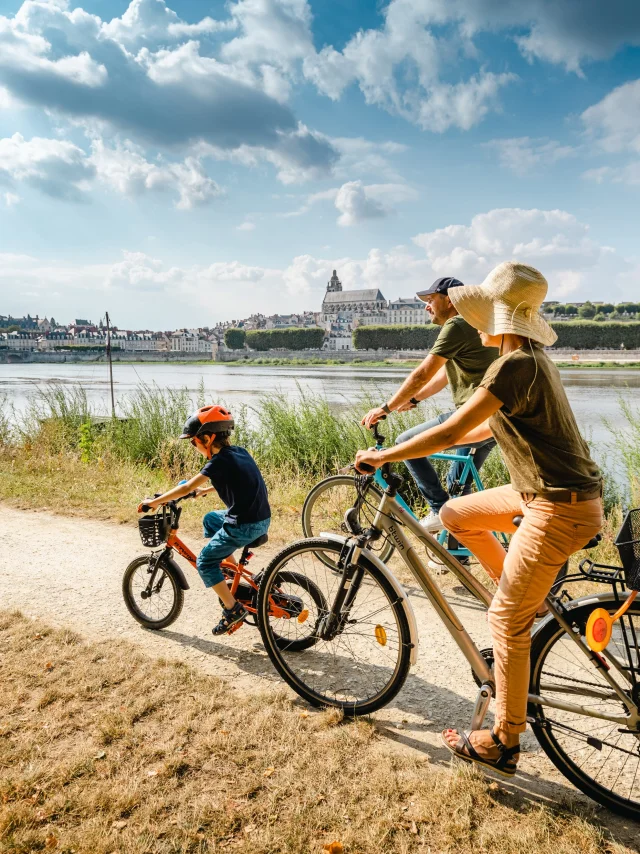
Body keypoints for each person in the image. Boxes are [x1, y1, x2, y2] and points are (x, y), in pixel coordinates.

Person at [355, 261, 603, 778]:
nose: (474, 323)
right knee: (453, 514)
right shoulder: (526, 358)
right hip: (544, 492)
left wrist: (385, 457)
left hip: (557, 503)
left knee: (506, 624)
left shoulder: (512, 365)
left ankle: (501, 740)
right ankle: (510, 593)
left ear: (496, 317)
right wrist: (409, 445)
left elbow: (448, 435)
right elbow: (470, 429)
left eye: (480, 314)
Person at [361, 276, 499, 532]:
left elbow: (422, 374)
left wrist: (386, 408)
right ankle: (460, 555)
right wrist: (414, 399)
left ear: (448, 300)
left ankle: (437, 509)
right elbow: (446, 375)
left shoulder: (457, 324)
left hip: (473, 415)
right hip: (493, 417)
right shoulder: (475, 322)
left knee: (405, 442)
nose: (426, 306)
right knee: (459, 487)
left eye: (430, 299)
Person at [138, 405, 271, 636]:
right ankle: (229, 575)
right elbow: (234, 480)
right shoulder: (239, 452)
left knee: (205, 563)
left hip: (244, 525)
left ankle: (232, 609)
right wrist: (203, 492)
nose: (193, 446)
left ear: (207, 439)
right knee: (210, 519)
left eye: (193, 441)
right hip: (260, 518)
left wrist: (154, 503)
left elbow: (188, 486)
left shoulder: (218, 461)